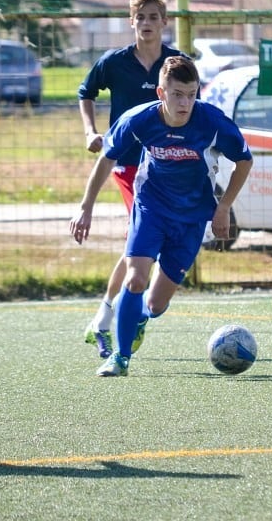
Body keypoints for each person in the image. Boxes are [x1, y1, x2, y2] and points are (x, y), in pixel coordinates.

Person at [69, 55, 253, 377]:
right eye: (177, 94)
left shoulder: (212, 122)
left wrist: (223, 207)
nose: (185, 103)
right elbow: (107, 160)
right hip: (151, 207)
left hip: (192, 218)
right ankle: (120, 358)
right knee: (135, 278)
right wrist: (86, 207)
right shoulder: (138, 120)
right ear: (161, 93)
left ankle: (138, 318)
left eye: (192, 94)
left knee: (155, 305)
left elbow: (245, 161)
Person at [77, 0, 187, 360]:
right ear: (132, 22)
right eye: (141, 17)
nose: (147, 22)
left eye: (154, 16)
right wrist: (90, 131)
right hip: (127, 164)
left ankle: (105, 318)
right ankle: (108, 318)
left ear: (164, 22)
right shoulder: (114, 62)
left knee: (139, 248)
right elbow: (85, 92)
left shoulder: (175, 65)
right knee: (139, 246)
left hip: (166, 166)